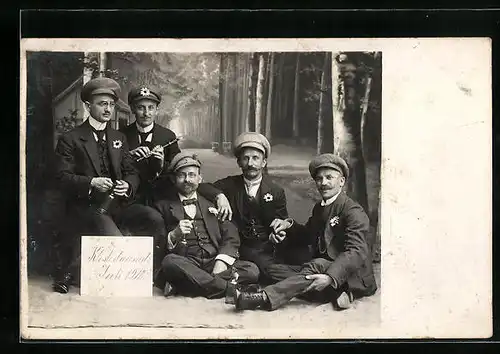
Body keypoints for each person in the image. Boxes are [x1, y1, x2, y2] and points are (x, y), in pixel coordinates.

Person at [232, 154, 378, 311]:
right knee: (271, 269)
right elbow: (307, 234)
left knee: (317, 264)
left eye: (329, 177)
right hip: (319, 269)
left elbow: (356, 251)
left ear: (341, 181)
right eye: (319, 179)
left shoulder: (352, 211)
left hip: (351, 275)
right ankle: (334, 292)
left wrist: (330, 277)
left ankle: (262, 298)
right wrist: (288, 225)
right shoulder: (320, 207)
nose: (324, 183)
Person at [120, 86, 232, 275]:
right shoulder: (121, 136)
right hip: (132, 199)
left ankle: (162, 271)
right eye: (141, 107)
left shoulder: (167, 137)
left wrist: (162, 163)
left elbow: (183, 174)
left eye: (151, 107)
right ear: (132, 109)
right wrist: (127, 156)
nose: (146, 113)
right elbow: (114, 169)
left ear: (157, 110)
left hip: (162, 197)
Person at [52, 77, 140, 294]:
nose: (108, 109)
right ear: (88, 105)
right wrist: (91, 182)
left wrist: (127, 185)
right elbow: (61, 177)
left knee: (154, 218)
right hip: (86, 205)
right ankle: (73, 273)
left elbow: (132, 172)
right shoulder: (70, 139)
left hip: (118, 203)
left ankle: (153, 273)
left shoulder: (118, 137)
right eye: (102, 104)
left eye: (111, 104)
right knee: (111, 235)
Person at [153, 152, 259, 299]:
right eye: (182, 175)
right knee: (169, 262)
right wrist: (174, 235)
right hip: (186, 262)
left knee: (252, 270)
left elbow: (231, 235)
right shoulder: (162, 206)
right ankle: (230, 289)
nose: (187, 180)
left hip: (213, 261)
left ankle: (192, 286)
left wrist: (221, 261)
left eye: (192, 175)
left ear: (200, 179)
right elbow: (157, 244)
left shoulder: (213, 203)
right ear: (174, 179)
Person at [213, 132, 312, 284]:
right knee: (268, 271)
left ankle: (308, 277)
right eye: (245, 158)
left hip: (266, 247)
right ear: (239, 162)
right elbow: (202, 187)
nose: (250, 163)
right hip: (241, 247)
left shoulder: (275, 191)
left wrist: (278, 234)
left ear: (264, 162)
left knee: (301, 255)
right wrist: (219, 196)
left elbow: (281, 220)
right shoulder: (229, 185)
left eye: (255, 158)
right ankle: (309, 281)